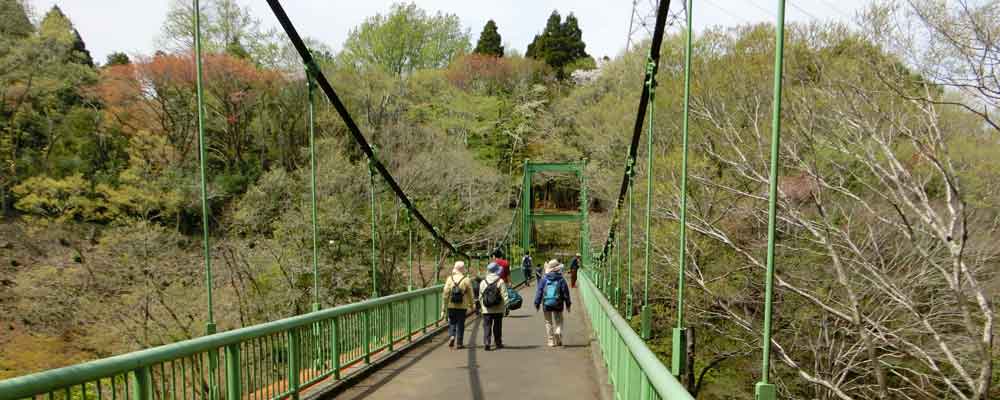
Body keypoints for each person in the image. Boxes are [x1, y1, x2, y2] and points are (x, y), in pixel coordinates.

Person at [534, 259, 572, 347]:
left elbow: (539, 292)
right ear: (558, 269)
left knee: (548, 322)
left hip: (546, 304)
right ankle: (558, 331)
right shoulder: (561, 279)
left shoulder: (544, 279)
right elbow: (566, 293)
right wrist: (568, 304)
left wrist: (537, 303)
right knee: (559, 320)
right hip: (558, 303)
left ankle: (551, 341)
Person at [442, 261, 474, 349]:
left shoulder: (449, 278)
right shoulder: (466, 279)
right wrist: (472, 305)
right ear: (463, 269)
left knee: (452, 322)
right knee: (461, 324)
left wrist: (443, 308)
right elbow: (471, 294)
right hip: (462, 306)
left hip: (451, 305)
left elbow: (445, 294)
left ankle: (452, 336)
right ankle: (459, 343)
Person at [479, 262, 510, 351]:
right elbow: (505, 295)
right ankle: (498, 342)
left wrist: (482, 307)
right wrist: (507, 306)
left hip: (486, 309)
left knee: (487, 326)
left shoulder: (483, 282)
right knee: (497, 326)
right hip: (498, 308)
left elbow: (480, 297)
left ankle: (487, 342)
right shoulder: (500, 281)